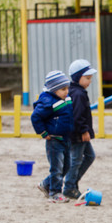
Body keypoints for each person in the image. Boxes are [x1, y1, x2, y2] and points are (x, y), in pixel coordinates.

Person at [31, 70, 74, 203]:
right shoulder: (48, 101)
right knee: (56, 168)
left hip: (66, 138)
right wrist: (43, 132)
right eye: (63, 89)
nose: (66, 91)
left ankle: (45, 184)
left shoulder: (65, 98)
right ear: (54, 89)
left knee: (67, 166)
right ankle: (54, 193)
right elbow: (35, 116)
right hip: (54, 140)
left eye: (67, 88)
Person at [63, 59, 97, 199]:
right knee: (76, 159)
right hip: (77, 134)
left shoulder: (79, 91)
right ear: (78, 78)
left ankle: (73, 181)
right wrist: (84, 130)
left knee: (90, 156)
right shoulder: (77, 93)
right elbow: (77, 115)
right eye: (87, 78)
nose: (89, 81)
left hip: (80, 132)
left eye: (90, 78)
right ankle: (69, 187)